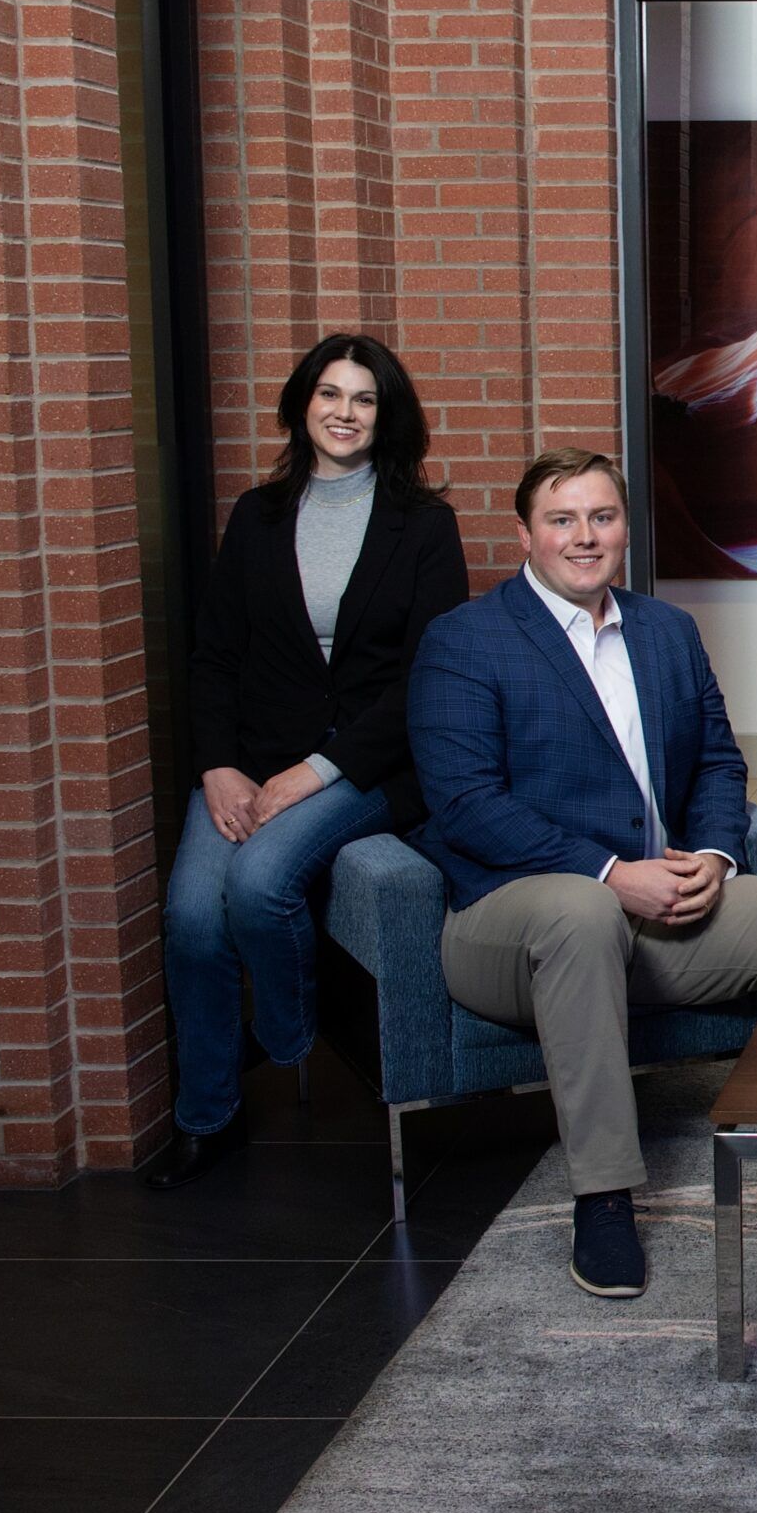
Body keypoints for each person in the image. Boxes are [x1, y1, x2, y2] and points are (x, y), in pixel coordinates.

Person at [409, 449, 757, 1298]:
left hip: (654, 913)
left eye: (601, 517)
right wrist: (608, 873)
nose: (584, 536)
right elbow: (466, 805)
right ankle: (602, 1198)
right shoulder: (465, 640)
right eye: (561, 520)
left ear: (625, 529)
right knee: (582, 913)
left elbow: (717, 762)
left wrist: (713, 856)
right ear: (524, 534)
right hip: (510, 925)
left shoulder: (665, 630)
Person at [151, 334, 469, 1190]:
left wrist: (317, 771)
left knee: (260, 883)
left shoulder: (424, 524)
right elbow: (216, 656)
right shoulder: (256, 516)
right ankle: (207, 1118)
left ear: (386, 415)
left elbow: (424, 677)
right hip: (249, 759)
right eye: (330, 394)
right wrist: (218, 767)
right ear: (302, 404)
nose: (344, 412)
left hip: (367, 766)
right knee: (192, 915)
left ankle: (287, 1036)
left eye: (364, 398)